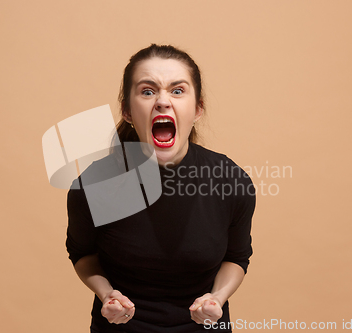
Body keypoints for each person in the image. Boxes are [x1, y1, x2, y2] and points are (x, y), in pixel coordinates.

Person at [66, 44, 256, 332]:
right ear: (127, 111)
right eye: (147, 91)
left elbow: (237, 257)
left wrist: (217, 298)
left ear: (198, 109)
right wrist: (106, 294)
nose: (162, 101)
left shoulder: (231, 181)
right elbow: (82, 253)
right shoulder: (92, 185)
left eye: (177, 91)